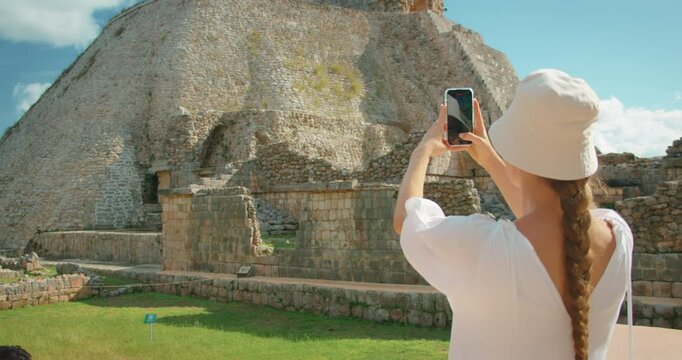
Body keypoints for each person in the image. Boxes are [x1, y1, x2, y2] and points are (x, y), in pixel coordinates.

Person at [392, 69, 633, 360]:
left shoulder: (484, 247)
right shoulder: (617, 235)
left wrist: (421, 153)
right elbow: (550, 223)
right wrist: (492, 160)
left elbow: (406, 221)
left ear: (516, 157)